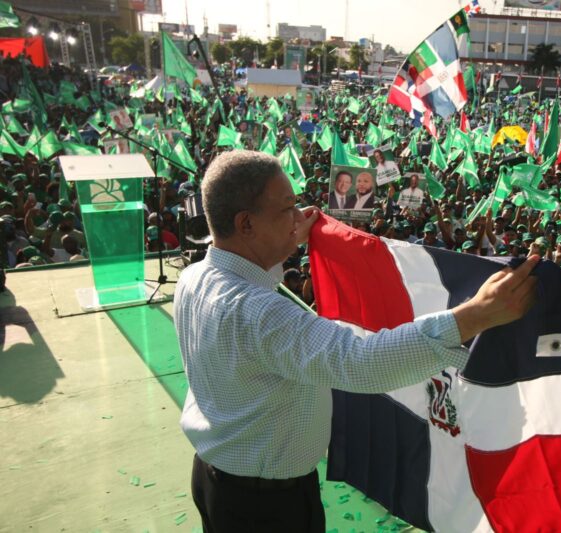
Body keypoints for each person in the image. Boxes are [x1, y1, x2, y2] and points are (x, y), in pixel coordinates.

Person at [174, 151, 540, 532]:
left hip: (217, 479)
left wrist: (283, 240)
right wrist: (474, 315)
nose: (298, 217)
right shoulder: (259, 312)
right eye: (286, 208)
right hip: (264, 508)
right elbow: (360, 361)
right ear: (246, 224)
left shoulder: (195, 278)